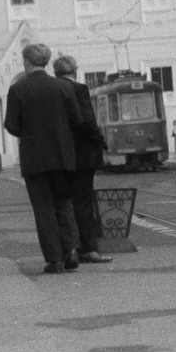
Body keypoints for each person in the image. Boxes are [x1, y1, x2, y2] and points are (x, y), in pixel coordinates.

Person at [4, 43, 89, 274]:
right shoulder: (63, 87)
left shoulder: (18, 89)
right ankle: (71, 249)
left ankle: (55, 259)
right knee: (64, 202)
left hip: (35, 158)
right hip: (63, 156)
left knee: (43, 208)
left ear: (27, 62)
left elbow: (11, 125)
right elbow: (77, 120)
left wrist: (30, 133)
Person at [52, 55, 114, 265]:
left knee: (64, 202)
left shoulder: (53, 90)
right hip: (82, 155)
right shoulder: (78, 89)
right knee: (83, 203)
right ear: (75, 71)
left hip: (60, 156)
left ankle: (70, 247)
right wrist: (101, 141)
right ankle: (88, 248)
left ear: (56, 72)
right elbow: (87, 120)